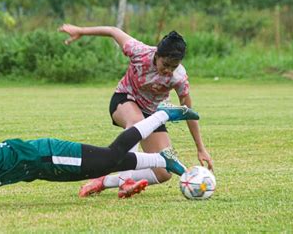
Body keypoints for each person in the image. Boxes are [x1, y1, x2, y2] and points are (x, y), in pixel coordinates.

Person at [0, 106, 198, 212]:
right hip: (43, 166)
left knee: (112, 156)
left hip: (49, 155)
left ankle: (160, 115)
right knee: (108, 162)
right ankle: (161, 158)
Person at [58, 24, 214, 198]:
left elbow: (188, 111)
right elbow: (112, 31)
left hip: (153, 114)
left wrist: (201, 148)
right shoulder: (139, 52)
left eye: (174, 66)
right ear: (157, 54)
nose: (168, 70)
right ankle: (126, 183)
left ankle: (104, 181)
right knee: (137, 121)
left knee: (163, 173)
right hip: (125, 100)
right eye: (166, 64)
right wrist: (81, 31)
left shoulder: (179, 78)